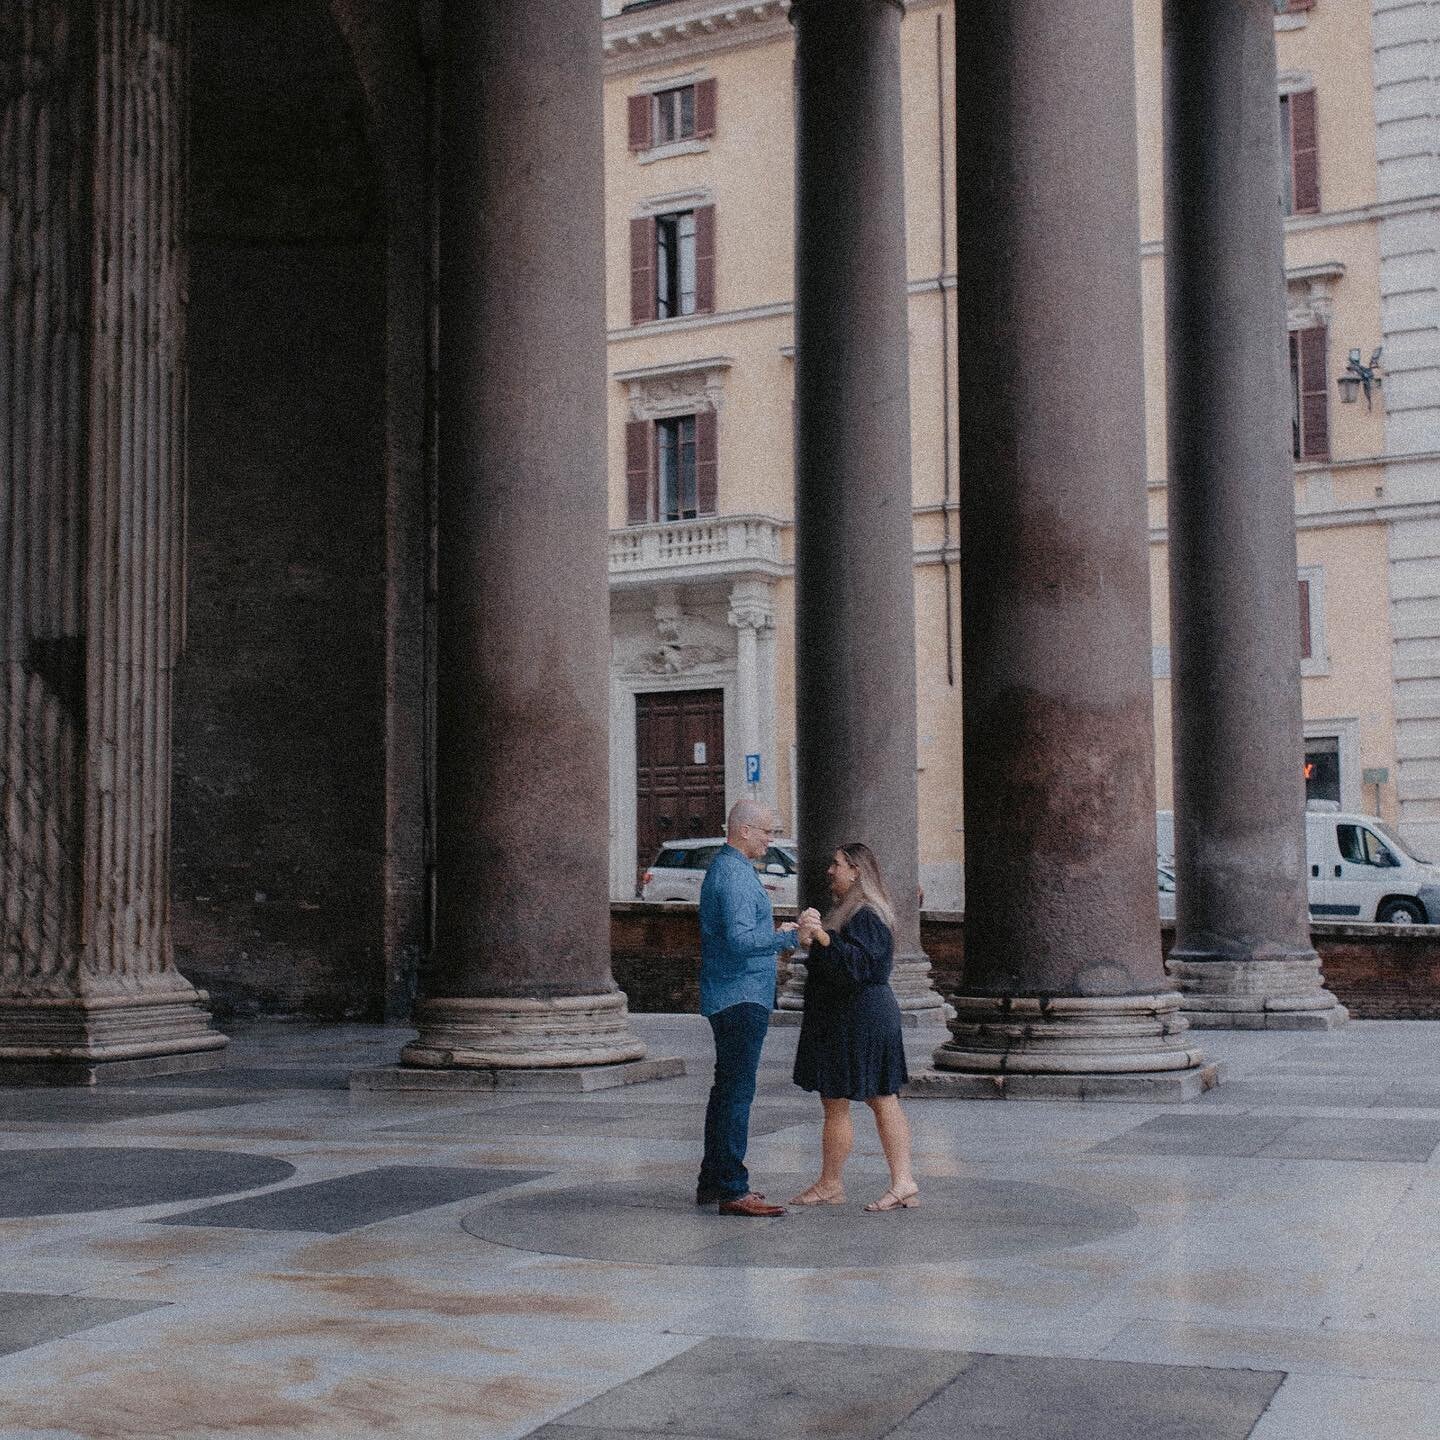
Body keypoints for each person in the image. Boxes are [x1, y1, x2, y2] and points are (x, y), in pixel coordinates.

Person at [790, 842, 919, 1212]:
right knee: (839, 1100)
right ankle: (832, 1183)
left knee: (879, 1098)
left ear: (855, 871)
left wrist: (823, 938)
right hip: (847, 1018)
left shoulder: (867, 914)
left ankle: (901, 1181)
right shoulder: (850, 910)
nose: (830, 871)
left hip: (862, 1019)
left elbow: (862, 966)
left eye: (837, 864)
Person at [696, 797, 798, 1216]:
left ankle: (713, 1181)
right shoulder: (735, 875)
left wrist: (775, 931)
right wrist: (786, 938)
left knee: (726, 1092)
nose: (771, 839)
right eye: (767, 831)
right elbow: (740, 943)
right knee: (737, 1094)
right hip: (741, 995)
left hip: (732, 992)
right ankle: (734, 1189)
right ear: (744, 831)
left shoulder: (728, 869)